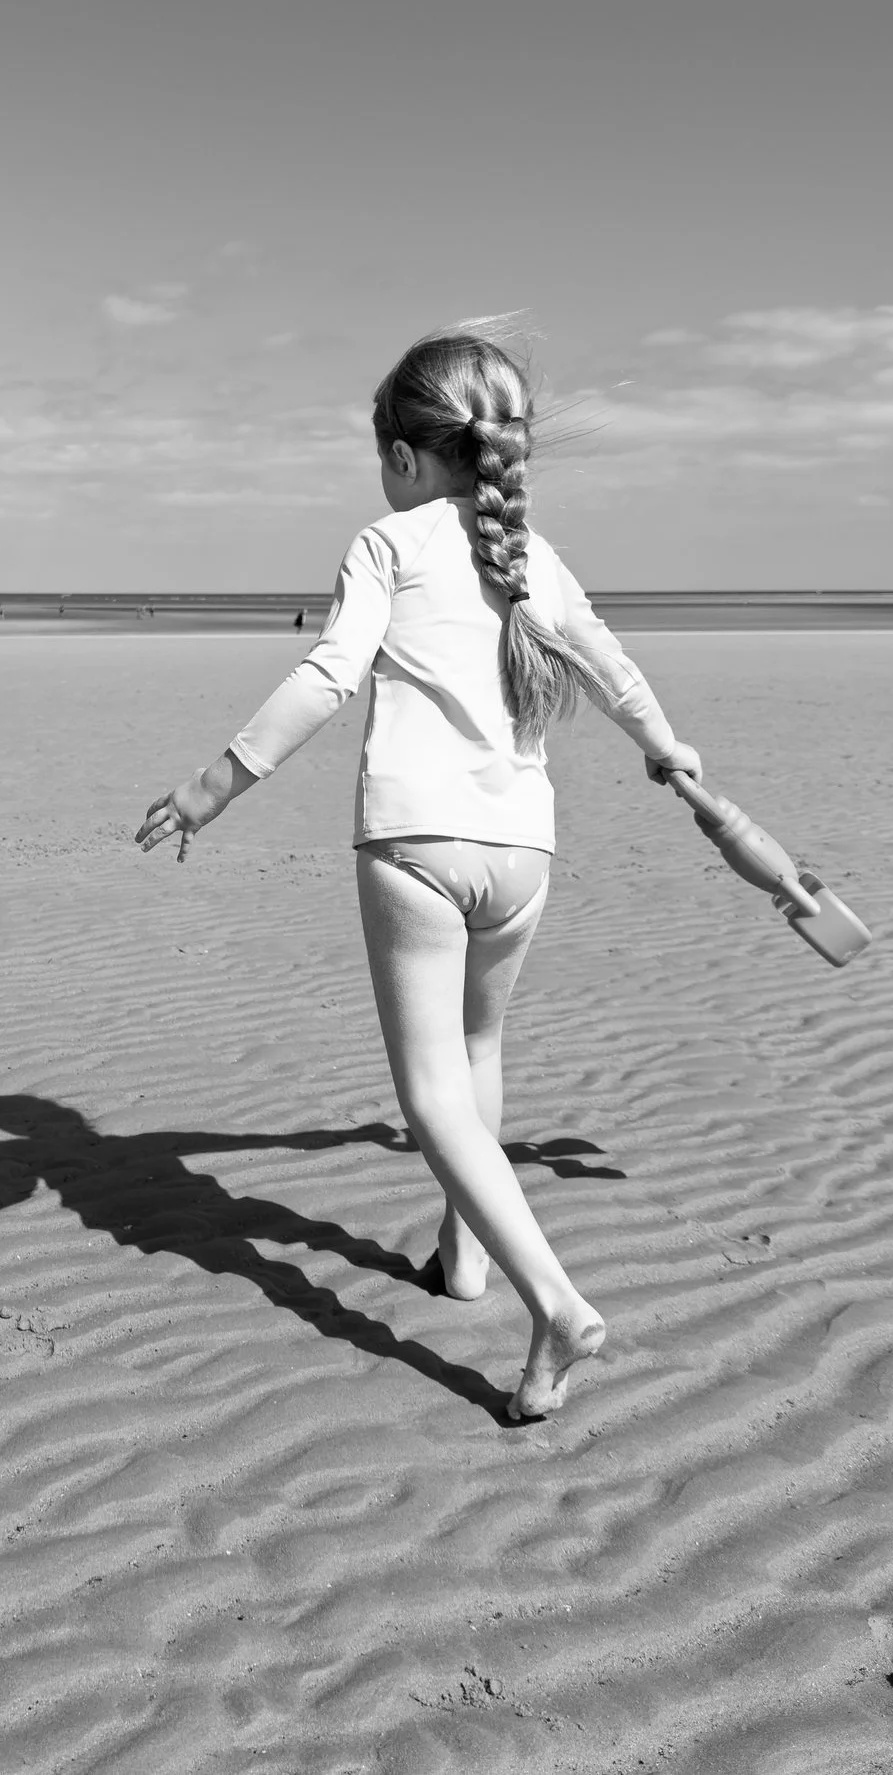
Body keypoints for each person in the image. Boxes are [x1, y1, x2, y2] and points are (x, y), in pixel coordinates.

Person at [133, 319, 700, 1420]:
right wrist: (665, 748)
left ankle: (554, 1304)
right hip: (522, 852)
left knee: (430, 1092)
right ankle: (466, 1262)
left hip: (416, 846)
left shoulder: (386, 545)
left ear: (402, 455)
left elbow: (326, 675)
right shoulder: (532, 555)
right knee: (479, 1052)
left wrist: (211, 788)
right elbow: (611, 665)